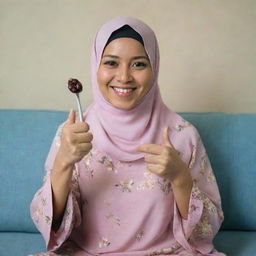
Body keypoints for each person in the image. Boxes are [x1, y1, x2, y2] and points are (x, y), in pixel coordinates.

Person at [30, 17, 225, 256]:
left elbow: (207, 231)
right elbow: (49, 226)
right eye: (111, 63)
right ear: (96, 66)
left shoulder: (182, 135)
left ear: (154, 68)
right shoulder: (73, 134)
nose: (124, 77)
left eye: (138, 64)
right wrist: (63, 164)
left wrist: (181, 178)